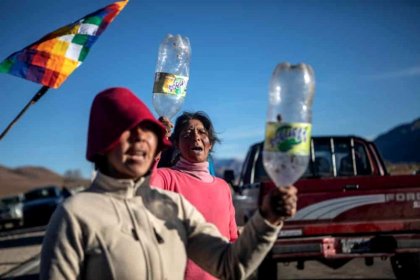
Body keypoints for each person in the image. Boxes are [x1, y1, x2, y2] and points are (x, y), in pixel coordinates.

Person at [39, 87, 298, 280]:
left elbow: (229, 265)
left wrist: (267, 218)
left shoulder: (174, 207)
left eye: (147, 133)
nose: (140, 140)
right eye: (128, 133)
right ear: (102, 144)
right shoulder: (76, 214)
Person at [151, 112, 238, 280]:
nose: (196, 137)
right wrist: (156, 140)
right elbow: (144, 183)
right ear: (175, 143)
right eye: (187, 133)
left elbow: (232, 237)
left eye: (202, 132)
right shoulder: (166, 177)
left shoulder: (223, 187)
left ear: (210, 144)